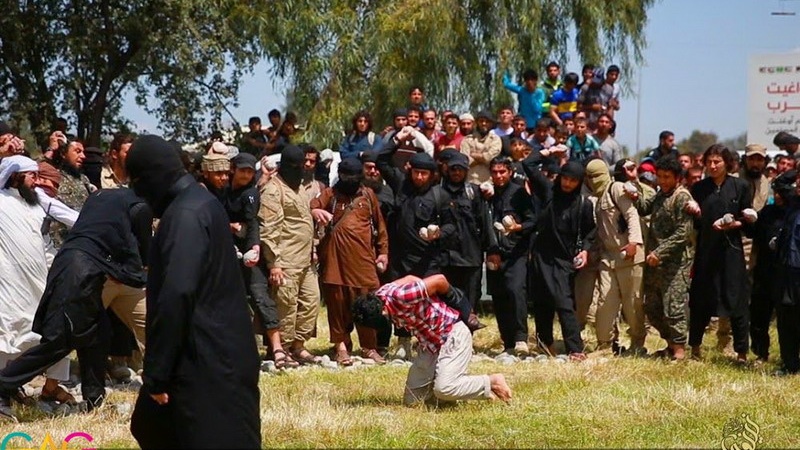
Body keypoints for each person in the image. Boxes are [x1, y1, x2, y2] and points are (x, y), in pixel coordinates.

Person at [126, 135, 260, 449]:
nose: (136, 193)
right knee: (149, 425)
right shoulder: (199, 204)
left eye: (137, 183)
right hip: (216, 349)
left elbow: (177, 294)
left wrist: (158, 371)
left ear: (153, 177)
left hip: (206, 359)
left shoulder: (184, 215)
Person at [0, 187, 152, 420]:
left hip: (74, 266)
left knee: (98, 333)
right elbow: (141, 257)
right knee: (61, 341)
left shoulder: (106, 198)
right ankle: (4, 385)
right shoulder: (139, 206)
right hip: (81, 272)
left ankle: (94, 398)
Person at [352, 274, 512, 406]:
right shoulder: (380, 296)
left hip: (452, 334)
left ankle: (491, 382)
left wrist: (463, 308)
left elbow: (440, 280)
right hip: (429, 344)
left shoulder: (401, 297)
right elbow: (410, 279)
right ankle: (453, 394)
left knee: (444, 388)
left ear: (383, 312)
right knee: (412, 401)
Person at [0, 156, 73, 416]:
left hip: (40, 279)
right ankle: (4, 395)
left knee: (49, 330)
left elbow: (71, 217)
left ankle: (48, 387)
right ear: (16, 177)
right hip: (9, 282)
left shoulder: (38, 200)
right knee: (10, 331)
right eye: (32, 176)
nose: (37, 181)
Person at [310, 158, 389, 365]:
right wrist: (316, 210)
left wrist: (383, 253)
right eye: (347, 177)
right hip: (335, 260)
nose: (351, 181)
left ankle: (369, 347)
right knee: (337, 304)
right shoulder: (330, 194)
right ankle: (341, 347)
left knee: (368, 303)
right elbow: (313, 205)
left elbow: (380, 227)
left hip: (363, 261)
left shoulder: (368, 195)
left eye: (355, 177)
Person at [522, 150, 596, 360]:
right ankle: (545, 346)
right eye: (565, 178)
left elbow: (591, 231)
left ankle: (575, 349)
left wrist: (585, 250)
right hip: (540, 256)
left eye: (573, 180)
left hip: (563, 260)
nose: (567, 184)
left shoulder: (583, 204)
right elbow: (528, 165)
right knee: (541, 302)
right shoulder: (548, 192)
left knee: (564, 303)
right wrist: (548, 152)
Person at [686, 144, 755, 362]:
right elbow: (694, 224)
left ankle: (741, 352)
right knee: (700, 299)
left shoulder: (740, 186)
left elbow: (748, 222)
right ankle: (695, 348)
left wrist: (735, 223)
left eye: (717, 162)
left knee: (737, 300)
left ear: (727, 163)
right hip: (706, 251)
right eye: (709, 162)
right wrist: (693, 212)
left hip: (731, 252)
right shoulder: (698, 189)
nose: (713, 166)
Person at [259, 144, 321, 366]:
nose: (301, 168)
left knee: (311, 301)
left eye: (303, 164)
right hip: (285, 260)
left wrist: (313, 247)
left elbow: (305, 220)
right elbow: (269, 229)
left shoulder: (301, 188)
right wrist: (274, 263)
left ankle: (298, 345)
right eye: (295, 165)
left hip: (305, 259)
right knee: (286, 304)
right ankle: (281, 349)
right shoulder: (274, 190)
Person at [585, 158, 647, 356]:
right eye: (590, 177)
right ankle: (605, 344)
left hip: (629, 257)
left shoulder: (617, 189)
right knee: (605, 303)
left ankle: (637, 344)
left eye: (597, 176)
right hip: (608, 257)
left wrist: (634, 242)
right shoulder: (597, 199)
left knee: (633, 304)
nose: (594, 180)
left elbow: (631, 215)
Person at [634, 157, 694, 360]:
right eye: (659, 176)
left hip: (675, 263)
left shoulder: (682, 198)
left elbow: (683, 233)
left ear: (677, 178)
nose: (662, 180)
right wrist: (633, 189)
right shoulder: (661, 194)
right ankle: (669, 345)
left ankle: (679, 351)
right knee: (652, 306)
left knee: (673, 307)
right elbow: (644, 207)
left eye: (667, 177)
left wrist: (660, 252)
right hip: (655, 263)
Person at [485, 156, 536, 356]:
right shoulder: (488, 195)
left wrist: (517, 227)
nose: (498, 176)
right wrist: (491, 251)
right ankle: (507, 343)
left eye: (502, 172)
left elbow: (533, 221)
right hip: (494, 253)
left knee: (516, 292)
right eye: (495, 172)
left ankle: (521, 339)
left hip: (516, 253)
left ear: (510, 172)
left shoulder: (519, 193)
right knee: (499, 296)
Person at [439, 152, 494, 326]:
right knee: (448, 301)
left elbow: (485, 222)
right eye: (453, 169)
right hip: (447, 258)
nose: (456, 173)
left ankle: (467, 338)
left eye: (460, 169)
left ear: (466, 171)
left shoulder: (475, 192)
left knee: (471, 300)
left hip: (471, 256)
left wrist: (491, 250)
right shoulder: (438, 192)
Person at [749, 170, 795, 364]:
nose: (777, 196)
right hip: (765, 272)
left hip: (787, 274)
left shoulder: (794, 212)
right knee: (759, 315)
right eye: (775, 192)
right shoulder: (767, 212)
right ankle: (761, 353)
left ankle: (790, 357)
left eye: (781, 193)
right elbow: (754, 233)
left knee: (787, 319)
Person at [461, 110, 502, 185]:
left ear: (491, 123)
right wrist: (484, 158)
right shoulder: (467, 139)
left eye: (487, 121)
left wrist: (474, 155)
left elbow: (490, 157)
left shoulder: (496, 139)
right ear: (477, 123)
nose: (484, 123)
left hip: (489, 182)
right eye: (481, 121)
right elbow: (465, 161)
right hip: (470, 181)